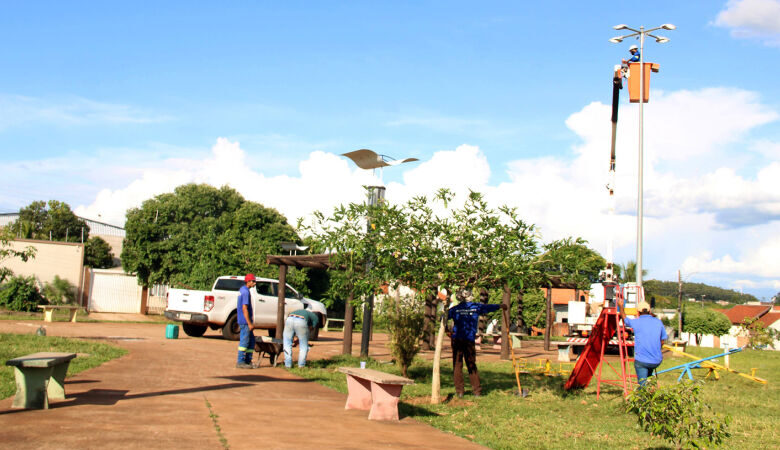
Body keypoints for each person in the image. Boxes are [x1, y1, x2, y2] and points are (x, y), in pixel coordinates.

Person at [446, 288, 507, 398]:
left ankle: (459, 391)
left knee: (457, 365)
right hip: (469, 340)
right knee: (471, 364)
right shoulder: (476, 307)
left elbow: (443, 317)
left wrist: (447, 331)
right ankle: (477, 391)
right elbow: (489, 307)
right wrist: (501, 306)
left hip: (457, 339)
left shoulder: (455, 309)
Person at [618, 296, 667, 386]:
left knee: (642, 385)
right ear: (649, 311)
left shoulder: (636, 322)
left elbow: (625, 319)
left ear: (638, 312)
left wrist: (621, 306)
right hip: (656, 360)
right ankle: (649, 392)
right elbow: (663, 340)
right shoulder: (658, 322)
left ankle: (643, 395)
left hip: (642, 361)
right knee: (648, 376)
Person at [236, 273, 257, 369]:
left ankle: (248, 361)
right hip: (245, 321)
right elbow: (245, 308)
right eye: (253, 281)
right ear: (248, 281)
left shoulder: (243, 290)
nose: (254, 283)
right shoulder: (245, 292)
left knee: (251, 341)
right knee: (244, 341)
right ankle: (240, 361)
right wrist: (249, 323)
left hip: (245, 321)